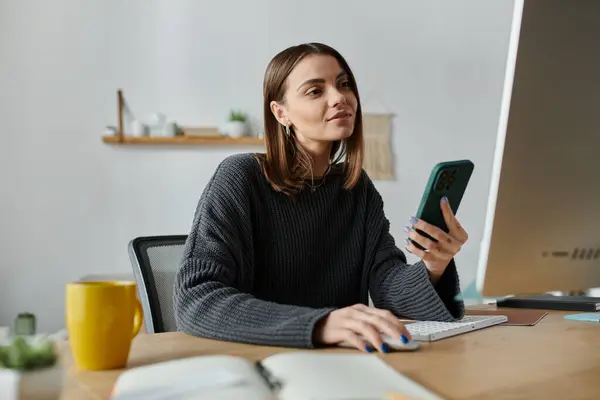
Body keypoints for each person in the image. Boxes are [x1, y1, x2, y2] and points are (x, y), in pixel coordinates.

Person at [173, 42, 468, 354]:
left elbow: (386, 284)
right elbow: (197, 298)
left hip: (342, 363)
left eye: (343, 84)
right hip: (261, 363)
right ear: (281, 113)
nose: (339, 97)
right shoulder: (241, 177)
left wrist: (435, 265)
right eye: (315, 91)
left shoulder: (357, 189)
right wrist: (321, 324)